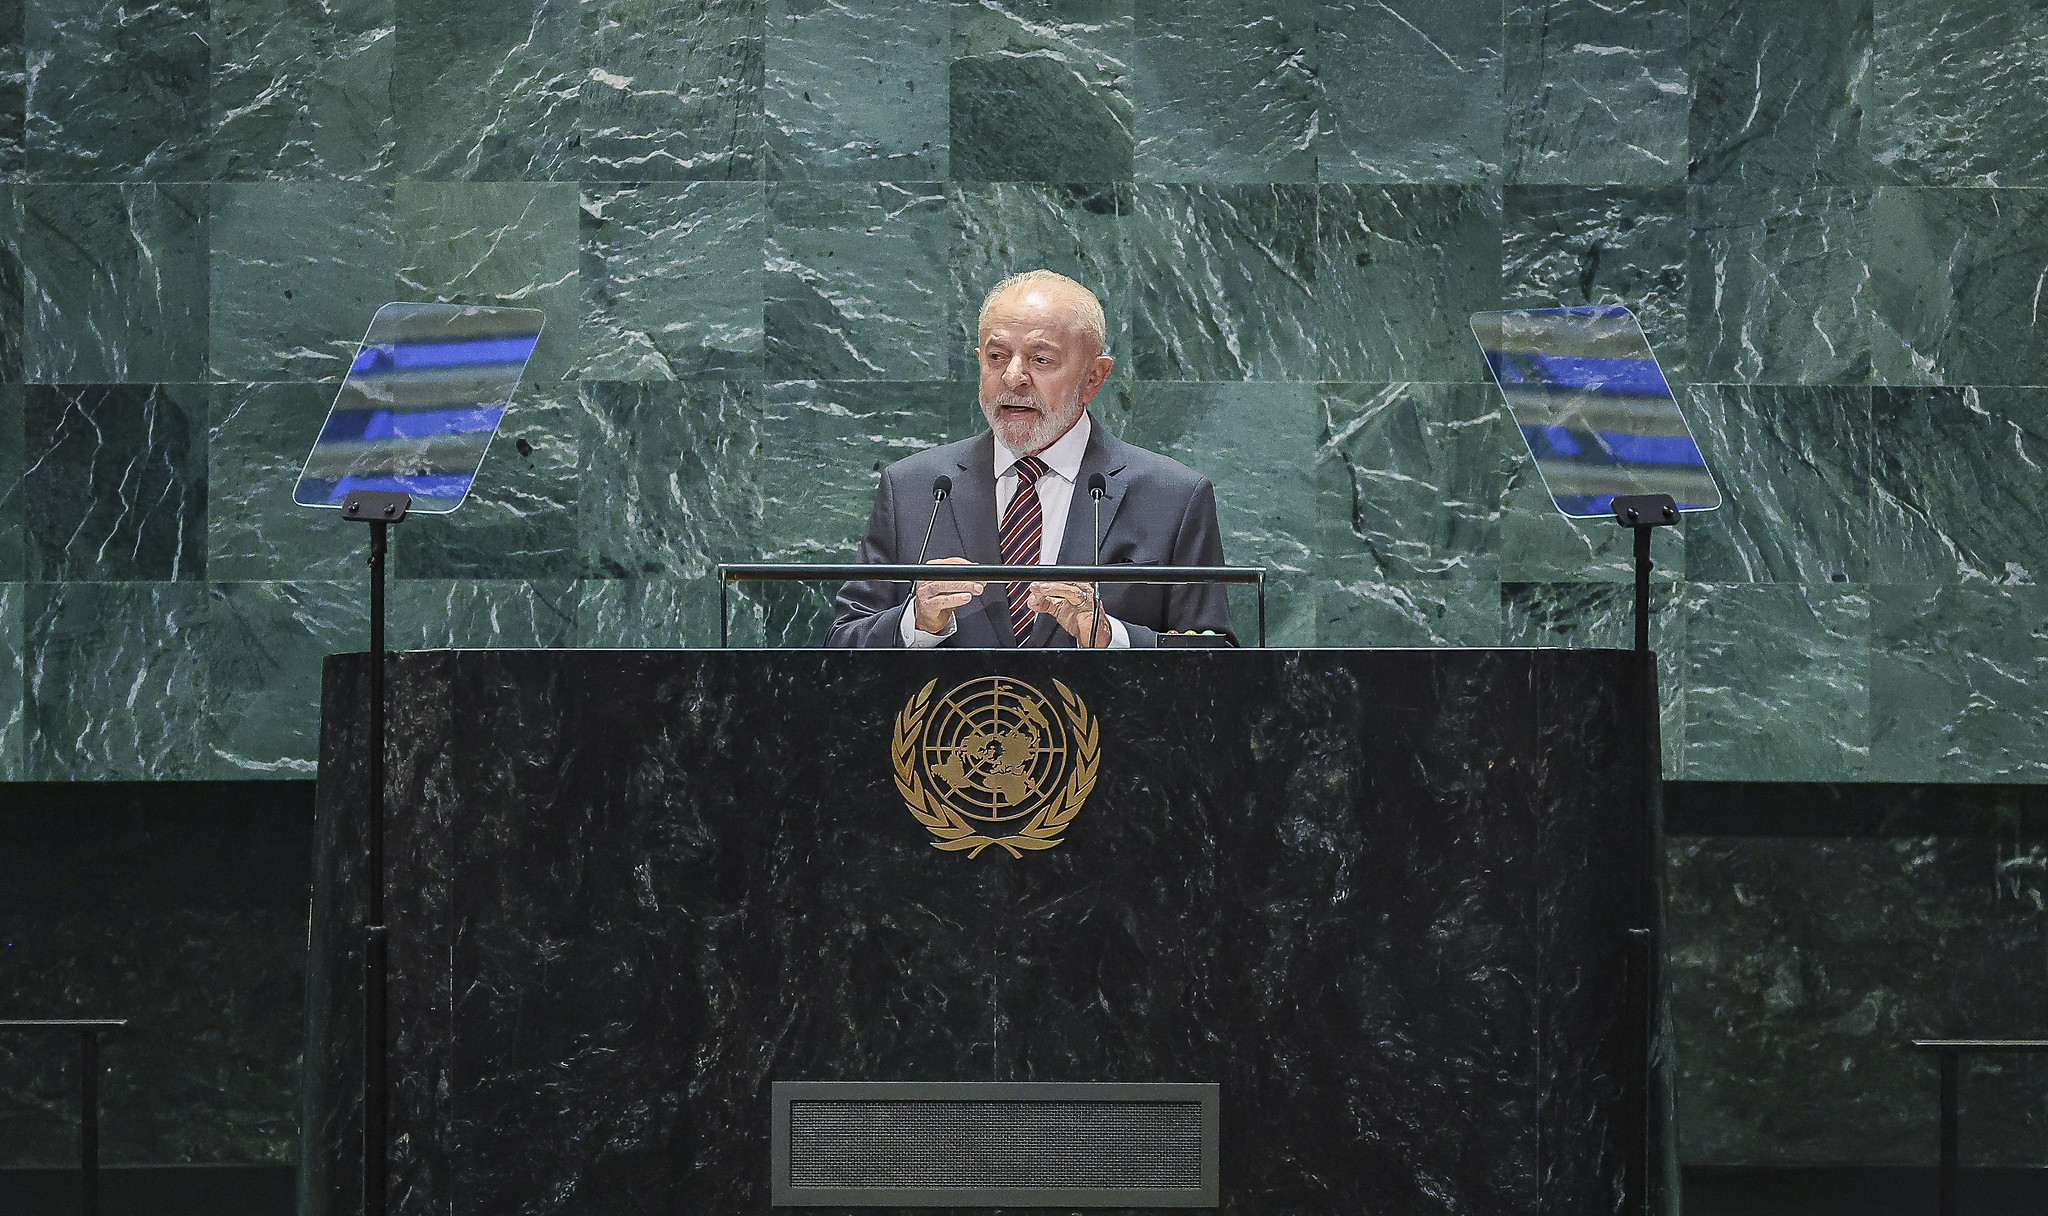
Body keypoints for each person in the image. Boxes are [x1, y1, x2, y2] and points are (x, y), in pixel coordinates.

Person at [828, 270, 1233, 648]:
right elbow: (839, 647)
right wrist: (917, 620)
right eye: (996, 356)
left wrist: (1112, 638)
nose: (1013, 377)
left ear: (1094, 377)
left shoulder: (1174, 497)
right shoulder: (913, 488)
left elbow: (1216, 658)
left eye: (1041, 360)